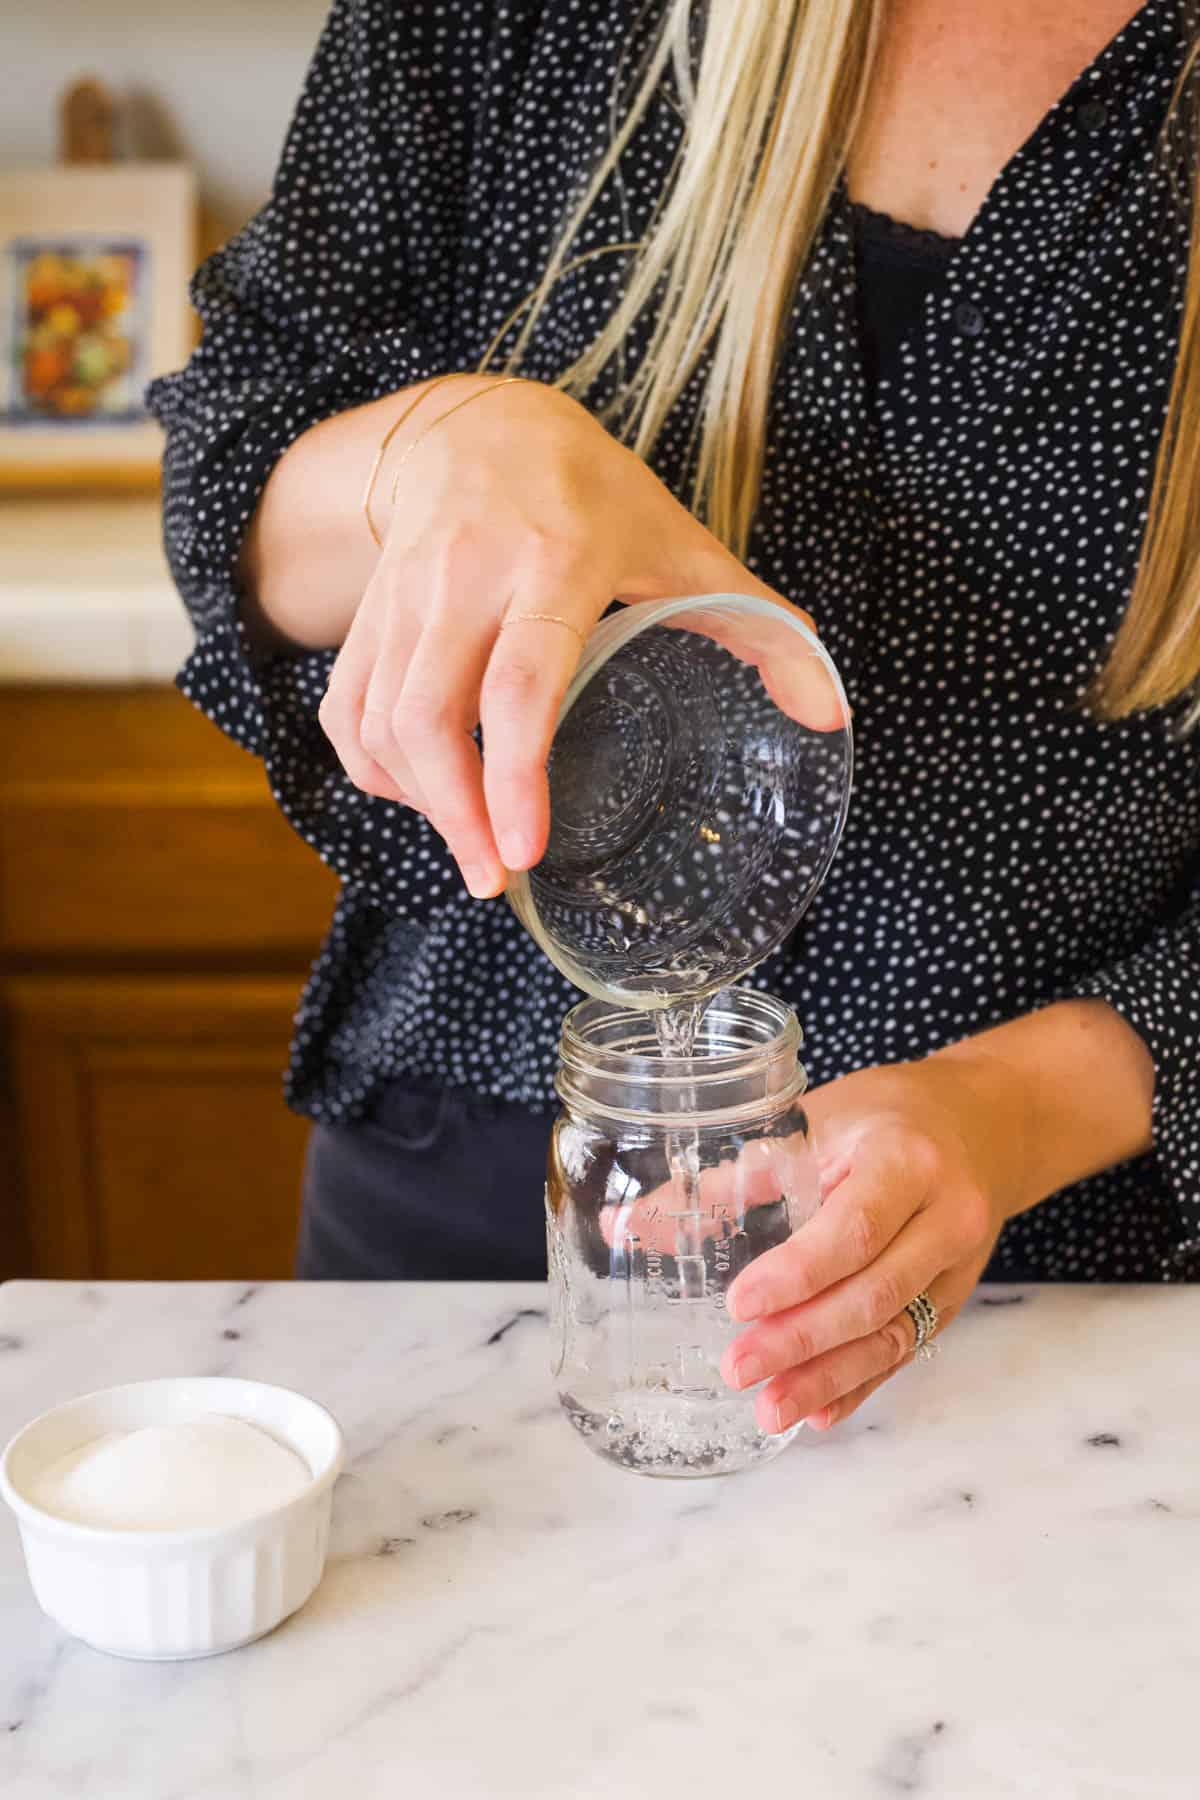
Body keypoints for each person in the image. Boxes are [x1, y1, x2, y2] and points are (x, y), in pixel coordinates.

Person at [151, 0, 1200, 1439]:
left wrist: (1011, 1108)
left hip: (1060, 1289)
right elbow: (233, 474)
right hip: (461, 1226)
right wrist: (439, 449)